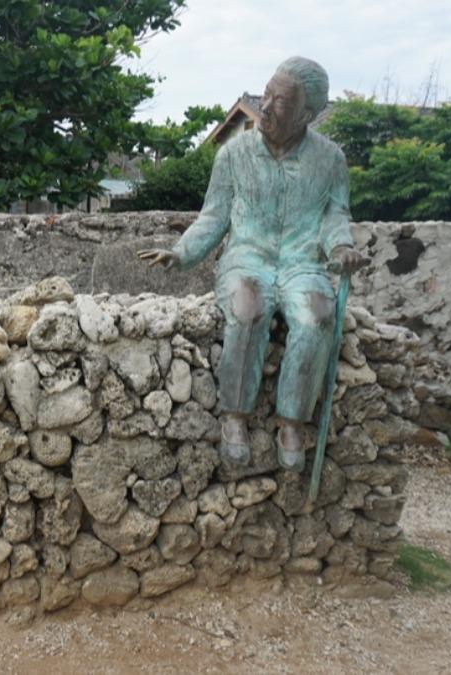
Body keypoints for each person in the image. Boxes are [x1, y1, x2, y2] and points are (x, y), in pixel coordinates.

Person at [138, 57, 366, 472]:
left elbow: (335, 216)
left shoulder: (330, 160)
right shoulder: (233, 154)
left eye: (281, 102)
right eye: (267, 94)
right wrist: (182, 251)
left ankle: (292, 422)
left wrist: (341, 249)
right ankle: (234, 417)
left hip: (301, 264)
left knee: (317, 316)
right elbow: (213, 215)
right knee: (247, 310)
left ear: (307, 115)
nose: (266, 106)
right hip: (247, 257)